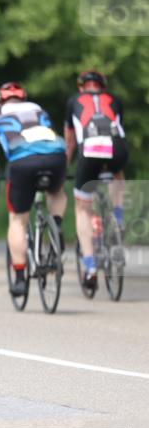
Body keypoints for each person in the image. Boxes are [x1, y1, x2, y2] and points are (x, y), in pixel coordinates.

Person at [0, 82, 67, 297]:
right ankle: (56, 229)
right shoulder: (38, 109)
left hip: (22, 161)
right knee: (57, 192)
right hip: (56, 155)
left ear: (0, 100)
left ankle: (19, 278)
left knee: (18, 219)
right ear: (23, 98)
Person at [64, 70, 127, 291]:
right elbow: (118, 131)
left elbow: (70, 140)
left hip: (90, 151)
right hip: (116, 149)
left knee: (83, 208)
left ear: (81, 87)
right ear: (103, 87)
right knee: (117, 173)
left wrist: (65, 166)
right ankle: (118, 217)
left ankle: (89, 267)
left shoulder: (73, 101)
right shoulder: (115, 100)